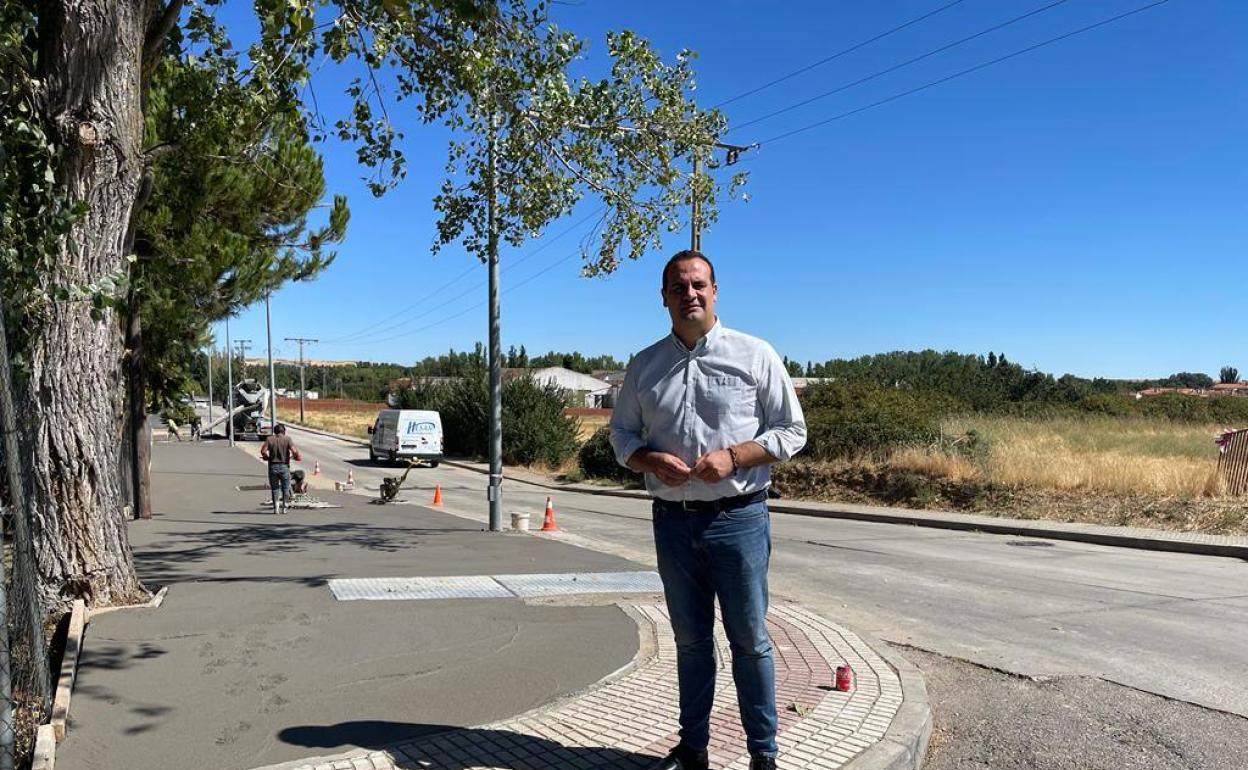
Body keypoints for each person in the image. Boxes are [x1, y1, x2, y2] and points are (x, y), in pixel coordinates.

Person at [609, 250, 806, 770]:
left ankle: (763, 755)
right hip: (672, 522)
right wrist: (648, 458)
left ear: (715, 291)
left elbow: (792, 431)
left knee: (751, 644)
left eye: (698, 284)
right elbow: (621, 435)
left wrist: (736, 456)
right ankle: (692, 749)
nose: (689, 294)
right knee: (692, 644)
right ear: (664, 297)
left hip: (738, 518)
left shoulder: (755, 354)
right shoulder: (645, 365)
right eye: (678, 287)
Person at [260, 424, 301, 513]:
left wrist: (266, 457)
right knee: (285, 487)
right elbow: (294, 451)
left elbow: (263, 451)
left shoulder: (269, 439)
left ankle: (276, 508)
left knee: (275, 488)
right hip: (284, 466)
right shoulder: (287, 439)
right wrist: (295, 456)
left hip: (272, 466)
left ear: (275, 431)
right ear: (284, 431)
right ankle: (285, 507)